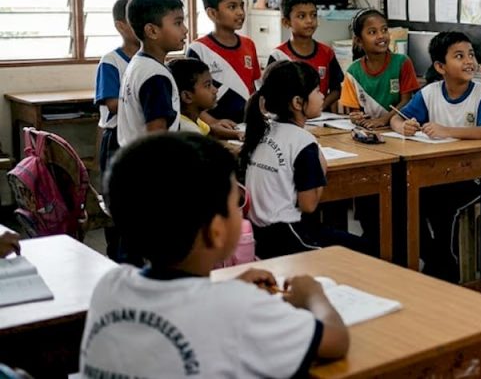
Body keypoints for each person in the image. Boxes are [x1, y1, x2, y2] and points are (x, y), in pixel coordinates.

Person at [82, 133, 348, 376]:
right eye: (235, 202)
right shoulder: (238, 308)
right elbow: (336, 341)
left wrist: (228, 289)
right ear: (216, 230)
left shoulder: (108, 287)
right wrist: (312, 294)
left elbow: (179, 307)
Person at [390, 31, 481, 281]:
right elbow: (397, 116)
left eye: (470, 54)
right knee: (402, 195)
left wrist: (445, 130)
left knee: (435, 201)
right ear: (440, 66)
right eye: (459, 56)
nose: (468, 61)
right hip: (437, 173)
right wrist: (401, 127)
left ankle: (440, 260)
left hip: (476, 177)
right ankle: (440, 258)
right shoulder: (430, 92)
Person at [239, 61, 365, 259]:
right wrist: (322, 169)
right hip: (289, 238)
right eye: (316, 90)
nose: (323, 94)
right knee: (366, 251)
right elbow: (308, 205)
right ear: (298, 103)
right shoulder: (303, 142)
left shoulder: (263, 130)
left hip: (260, 236)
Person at [117, 0, 187, 148]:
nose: (185, 29)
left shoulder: (137, 64)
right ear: (152, 31)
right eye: (178, 23)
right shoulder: (155, 76)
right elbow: (157, 136)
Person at [187, 0, 259, 132]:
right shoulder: (198, 49)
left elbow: (253, 88)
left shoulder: (249, 45)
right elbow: (191, 101)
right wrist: (212, 123)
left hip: (245, 126)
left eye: (242, 5)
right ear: (212, 13)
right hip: (214, 128)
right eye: (232, 7)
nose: (240, 12)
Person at [340, 8, 419, 129]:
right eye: (372, 32)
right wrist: (356, 117)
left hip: (398, 128)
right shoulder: (353, 72)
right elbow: (354, 112)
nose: (381, 36)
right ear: (359, 41)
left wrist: (384, 120)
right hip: (371, 130)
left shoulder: (402, 62)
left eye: (384, 30)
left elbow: (406, 101)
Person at [268, 0, 344, 111]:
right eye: (302, 16)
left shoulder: (327, 53)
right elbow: (271, 94)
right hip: (290, 120)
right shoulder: (278, 56)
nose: (309, 20)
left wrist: (320, 106)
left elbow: (337, 89)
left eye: (313, 15)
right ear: (286, 22)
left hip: (320, 118)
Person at [94, 0, 139, 173]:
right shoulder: (111, 61)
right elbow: (113, 105)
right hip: (118, 136)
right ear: (121, 26)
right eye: (135, 20)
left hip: (141, 133)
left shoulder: (155, 62)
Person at [169, 58, 218, 136]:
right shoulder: (188, 130)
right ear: (187, 96)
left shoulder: (193, 119)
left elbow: (209, 132)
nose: (215, 90)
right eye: (208, 85)